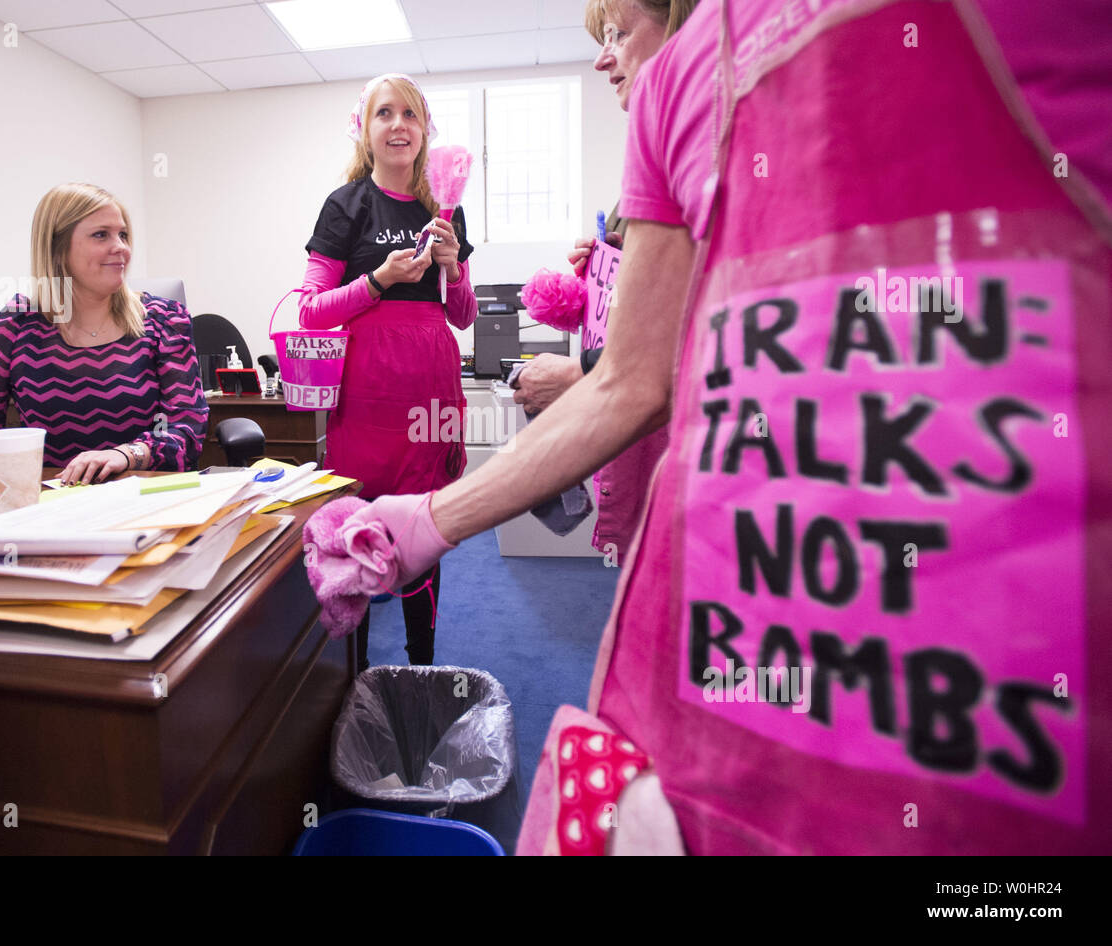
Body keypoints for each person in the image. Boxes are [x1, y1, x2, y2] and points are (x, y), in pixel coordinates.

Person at [310, 0, 1112, 854]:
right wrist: (433, 518)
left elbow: (584, 356)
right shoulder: (669, 95)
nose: (606, 58)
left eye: (621, 31)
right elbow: (630, 376)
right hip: (717, 588)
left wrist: (451, 284)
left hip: (999, 622)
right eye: (602, 35)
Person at [298, 73, 479, 671]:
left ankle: (420, 668)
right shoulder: (345, 205)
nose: (398, 125)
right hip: (368, 395)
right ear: (365, 128)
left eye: (410, 114)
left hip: (431, 390)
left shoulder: (442, 206)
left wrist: (454, 267)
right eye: (384, 114)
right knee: (363, 526)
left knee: (423, 535)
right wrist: (378, 281)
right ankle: (352, 673)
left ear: (425, 130)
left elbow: (461, 315)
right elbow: (310, 310)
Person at [511, 0, 696, 556]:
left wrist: (580, 374)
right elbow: (644, 312)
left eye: (616, 34)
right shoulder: (651, 162)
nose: (602, 60)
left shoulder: (709, 151)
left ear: (683, 22)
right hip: (641, 453)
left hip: (686, 472)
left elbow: (700, 338)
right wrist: (603, 274)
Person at [0, 182, 208, 485]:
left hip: (148, 497)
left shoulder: (164, 320)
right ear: (57, 249)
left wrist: (128, 453)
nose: (121, 247)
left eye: (123, 235)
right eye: (100, 235)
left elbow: (186, 426)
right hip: (57, 502)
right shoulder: (15, 325)